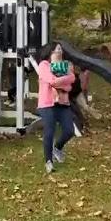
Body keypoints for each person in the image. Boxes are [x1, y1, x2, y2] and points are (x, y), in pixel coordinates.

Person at [36, 42, 76, 173]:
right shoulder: (44, 65)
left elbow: (72, 80)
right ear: (50, 51)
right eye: (57, 49)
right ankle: (48, 161)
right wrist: (65, 82)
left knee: (69, 130)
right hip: (47, 103)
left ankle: (57, 148)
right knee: (50, 131)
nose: (60, 51)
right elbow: (52, 81)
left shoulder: (66, 65)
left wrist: (62, 83)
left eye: (61, 49)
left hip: (63, 103)